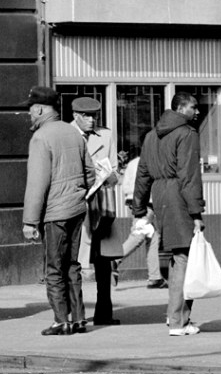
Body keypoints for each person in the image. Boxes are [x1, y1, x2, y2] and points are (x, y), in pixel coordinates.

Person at [131, 92, 206, 336]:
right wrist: (196, 212)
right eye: (193, 107)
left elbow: (143, 173)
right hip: (178, 196)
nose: (197, 111)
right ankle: (178, 321)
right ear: (181, 108)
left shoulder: (152, 135)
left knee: (177, 256)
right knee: (185, 256)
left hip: (159, 194)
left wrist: (139, 207)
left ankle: (175, 316)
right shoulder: (187, 133)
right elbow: (189, 176)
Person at [22, 85, 93, 336]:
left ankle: (61, 321)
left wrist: (30, 221)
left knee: (54, 267)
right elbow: (90, 173)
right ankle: (79, 319)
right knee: (72, 265)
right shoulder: (73, 132)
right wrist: (77, 193)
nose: (29, 114)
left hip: (55, 212)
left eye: (31, 109)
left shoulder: (40, 138)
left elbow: (37, 183)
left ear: (41, 110)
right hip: (77, 208)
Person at [71, 96, 121, 325]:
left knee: (104, 259)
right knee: (74, 260)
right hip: (76, 204)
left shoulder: (106, 136)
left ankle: (104, 312)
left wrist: (109, 176)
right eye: (87, 116)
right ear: (76, 116)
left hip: (101, 205)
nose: (92, 120)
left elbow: (115, 171)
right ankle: (76, 314)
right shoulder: (67, 135)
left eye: (95, 116)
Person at [120, 150, 166, 287]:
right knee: (139, 234)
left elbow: (125, 186)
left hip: (132, 200)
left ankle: (155, 277)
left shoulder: (133, 163)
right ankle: (114, 260)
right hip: (146, 201)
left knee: (153, 236)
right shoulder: (153, 163)